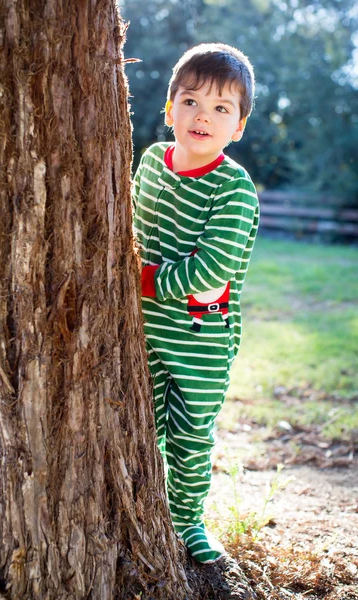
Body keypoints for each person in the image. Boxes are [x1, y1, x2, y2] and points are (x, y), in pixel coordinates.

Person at [132, 43, 259, 563]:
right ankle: (140, 507)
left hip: (200, 336)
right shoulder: (150, 163)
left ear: (239, 127)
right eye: (191, 102)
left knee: (189, 438)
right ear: (170, 110)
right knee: (139, 425)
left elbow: (210, 270)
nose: (203, 116)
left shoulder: (235, 189)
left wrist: (139, 281)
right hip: (140, 327)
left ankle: (185, 521)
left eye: (221, 108)